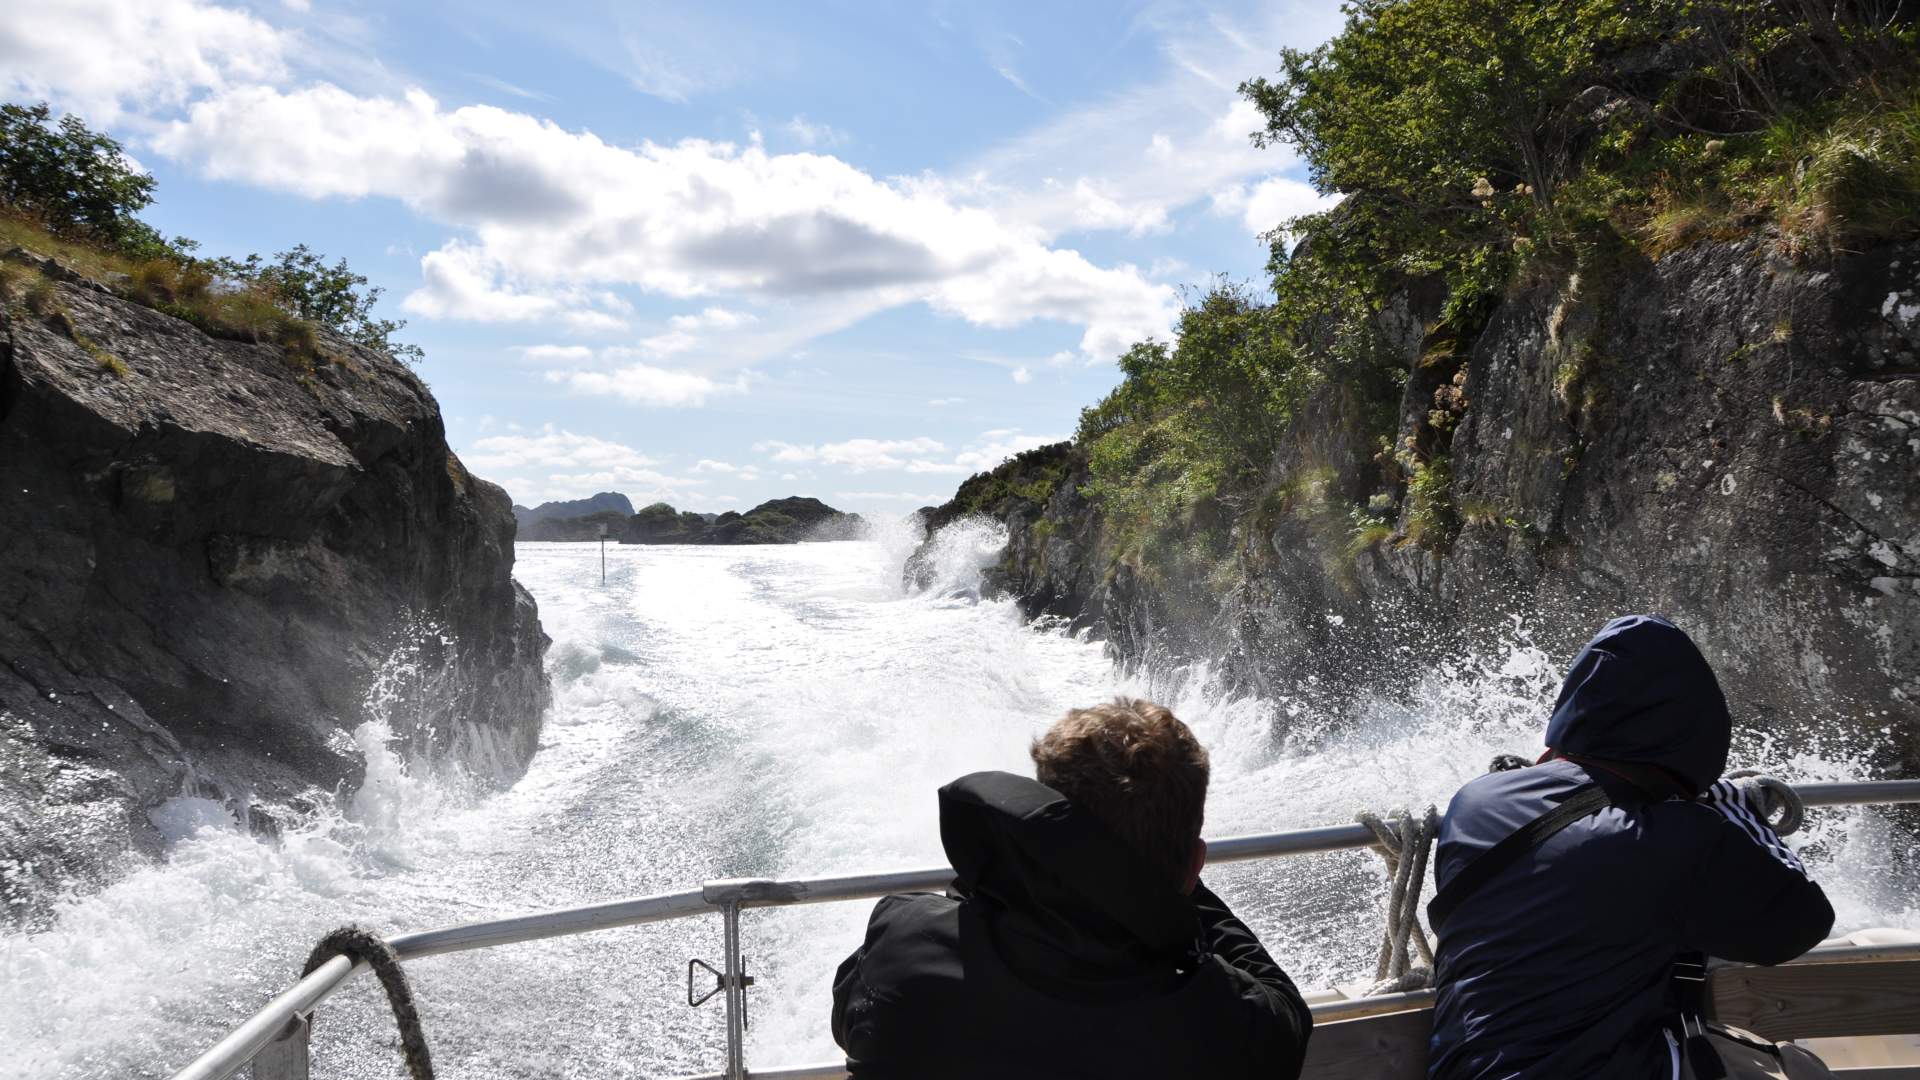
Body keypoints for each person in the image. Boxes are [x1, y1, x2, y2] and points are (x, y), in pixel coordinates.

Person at [1426, 614, 1835, 1079]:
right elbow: (1802, 923)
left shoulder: (1475, 800)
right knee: (1801, 1067)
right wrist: (1737, 810)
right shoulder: (1674, 837)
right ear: (1696, 730)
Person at [831, 697, 1313, 1079]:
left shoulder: (904, 940)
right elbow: (1284, 1007)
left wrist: (1006, 864)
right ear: (1193, 867)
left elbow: (847, 1022)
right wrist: (1170, 887)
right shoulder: (1235, 1029)